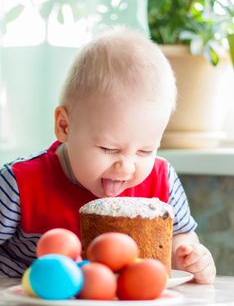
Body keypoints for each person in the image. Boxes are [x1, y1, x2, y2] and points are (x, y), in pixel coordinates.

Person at [0, 26, 216, 282]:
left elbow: (181, 236)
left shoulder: (162, 179)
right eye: (109, 149)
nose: (126, 166)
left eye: (145, 150)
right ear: (64, 126)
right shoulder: (19, 183)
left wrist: (188, 256)